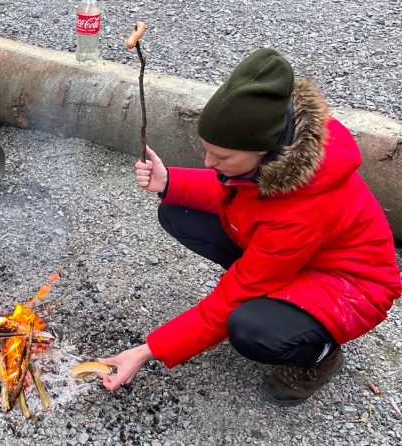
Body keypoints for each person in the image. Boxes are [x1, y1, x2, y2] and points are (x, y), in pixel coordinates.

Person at [98, 48, 401, 406]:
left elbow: (235, 293)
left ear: (265, 150)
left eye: (222, 157)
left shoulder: (302, 209)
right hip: (295, 258)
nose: (209, 162)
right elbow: (238, 193)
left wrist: (148, 350)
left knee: (249, 328)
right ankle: (275, 298)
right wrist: (170, 183)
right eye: (206, 150)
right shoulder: (276, 156)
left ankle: (320, 355)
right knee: (177, 209)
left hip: (350, 287)